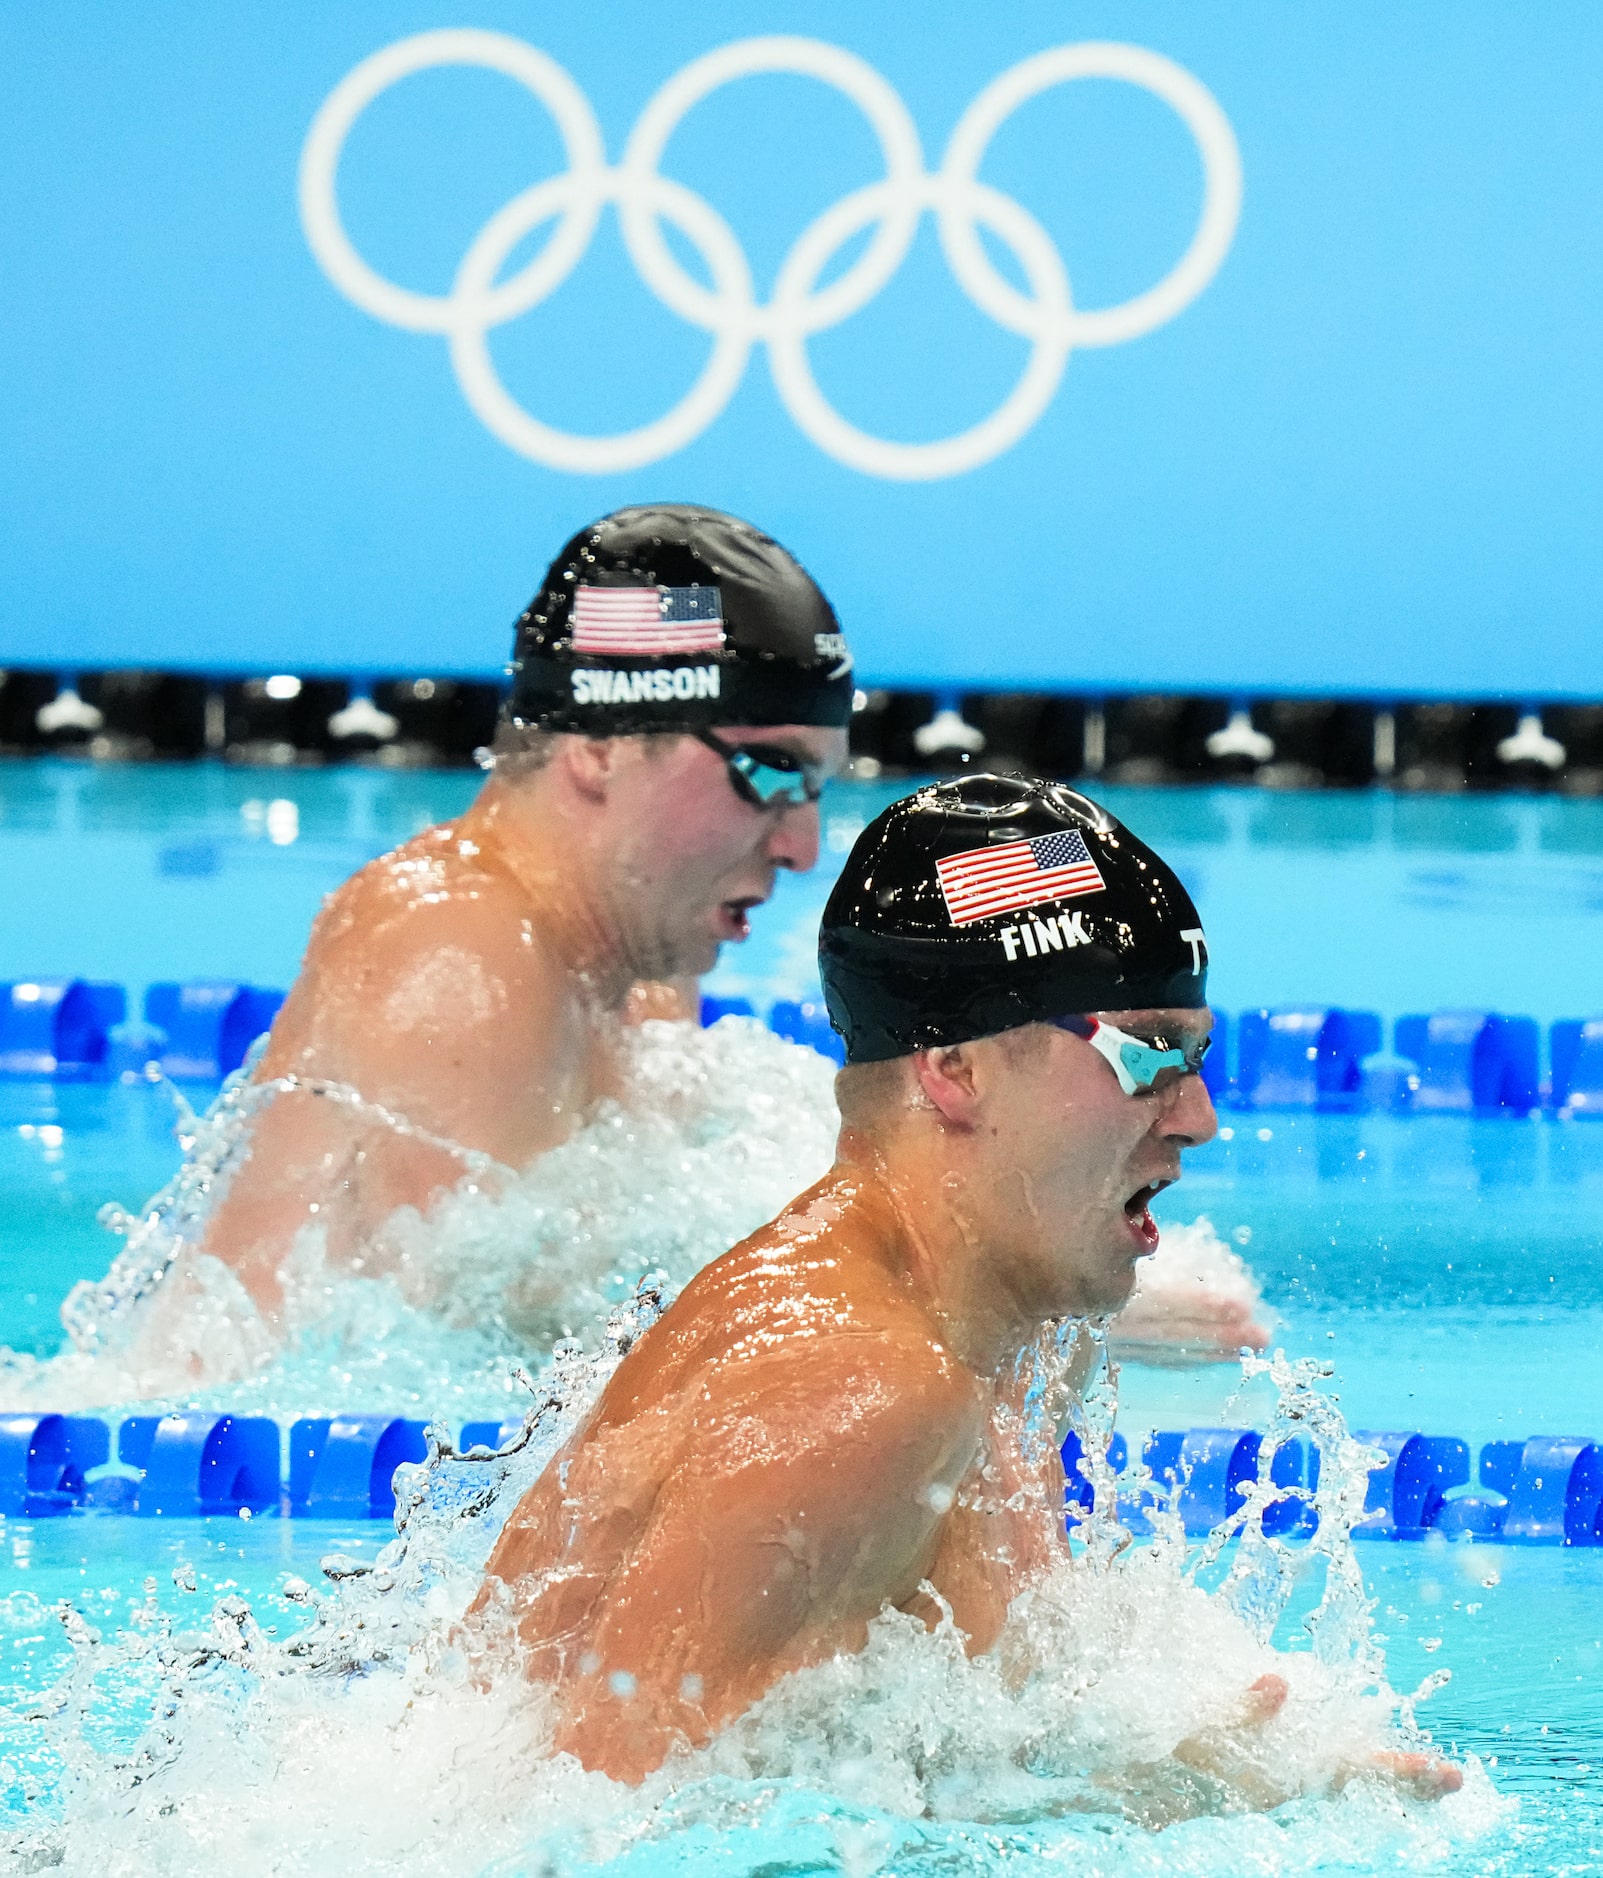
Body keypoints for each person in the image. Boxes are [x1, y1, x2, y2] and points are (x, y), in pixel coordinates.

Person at [471, 775, 1456, 1802]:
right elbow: (596, 1836)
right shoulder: (859, 1395)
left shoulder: (1008, 1325)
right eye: (1150, 1054)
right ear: (953, 1070)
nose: (1198, 1116)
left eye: (1199, 1054)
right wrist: (1146, 1809)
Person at [197, 504, 854, 1319]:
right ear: (600, 743)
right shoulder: (458, 952)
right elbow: (474, 1386)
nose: (802, 846)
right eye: (769, 771)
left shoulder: (638, 967)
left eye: (817, 787)